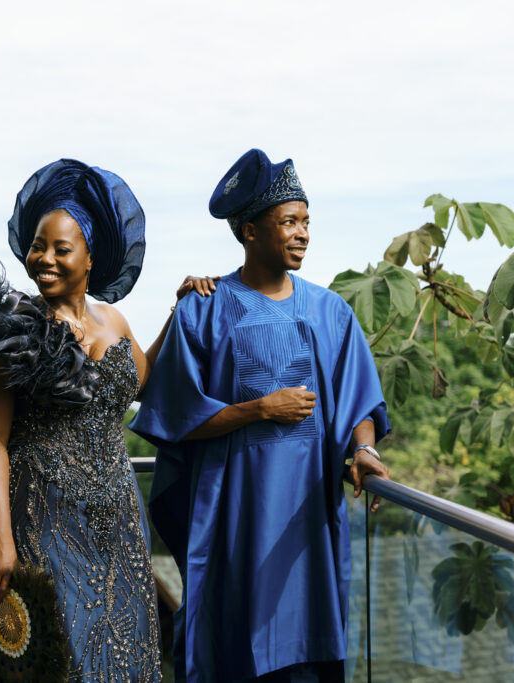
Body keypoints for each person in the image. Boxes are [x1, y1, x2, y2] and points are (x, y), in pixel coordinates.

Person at [0, 158, 216, 682]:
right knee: (65, 656)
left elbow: (142, 384)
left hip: (119, 517)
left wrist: (179, 311)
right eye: (38, 245)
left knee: (126, 648)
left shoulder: (113, 319)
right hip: (46, 519)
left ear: (90, 255)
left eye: (60, 248)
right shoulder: (7, 330)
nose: (44, 258)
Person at [130, 149, 391, 682]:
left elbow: (361, 399)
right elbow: (176, 419)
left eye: (306, 222)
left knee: (308, 643)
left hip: (307, 521)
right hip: (234, 517)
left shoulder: (331, 313)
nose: (302, 234)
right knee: (231, 644)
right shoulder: (203, 308)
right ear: (251, 231)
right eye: (288, 222)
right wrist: (258, 409)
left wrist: (364, 448)